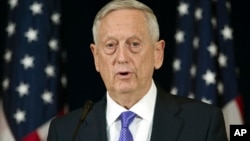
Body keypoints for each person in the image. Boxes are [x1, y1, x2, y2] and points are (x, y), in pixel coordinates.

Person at [47, 0, 228, 141]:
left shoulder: (203, 123)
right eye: (110, 45)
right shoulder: (65, 132)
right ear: (96, 57)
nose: (122, 57)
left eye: (134, 44)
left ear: (157, 53)